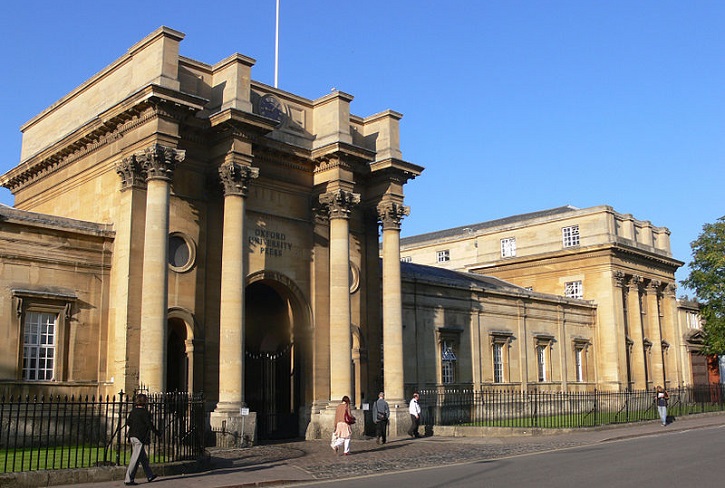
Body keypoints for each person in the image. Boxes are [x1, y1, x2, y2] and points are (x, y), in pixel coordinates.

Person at [125, 393, 161, 486]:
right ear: (144, 402)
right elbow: (149, 425)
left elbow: (128, 422)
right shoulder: (145, 412)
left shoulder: (133, 411)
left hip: (132, 436)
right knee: (135, 458)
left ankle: (150, 475)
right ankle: (128, 479)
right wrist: (157, 433)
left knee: (143, 458)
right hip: (139, 437)